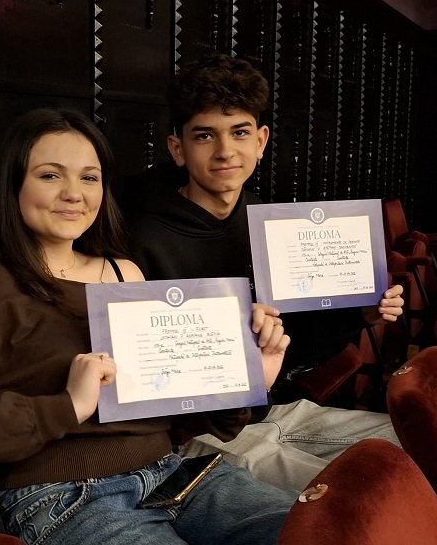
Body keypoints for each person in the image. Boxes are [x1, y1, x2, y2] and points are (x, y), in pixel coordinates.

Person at [0, 108, 296, 544]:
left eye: (88, 177)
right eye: (49, 176)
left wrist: (249, 378)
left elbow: (172, 413)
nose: (73, 194)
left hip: (175, 475)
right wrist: (67, 405)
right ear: (13, 185)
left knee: (316, 532)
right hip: (63, 495)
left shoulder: (125, 273)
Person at [122, 52, 405, 493]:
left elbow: (297, 338)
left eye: (239, 132)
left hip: (272, 408)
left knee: (413, 441)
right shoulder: (136, 239)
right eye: (205, 136)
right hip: (193, 434)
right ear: (178, 149)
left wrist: (361, 315)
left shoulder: (269, 223)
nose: (225, 151)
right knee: (357, 494)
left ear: (261, 140)